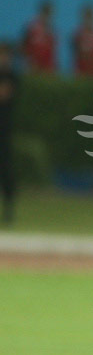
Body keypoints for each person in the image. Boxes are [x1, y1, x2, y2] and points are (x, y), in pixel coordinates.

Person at [0, 42, 17, 225]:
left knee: (6, 171)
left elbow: (5, 94)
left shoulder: (12, 76)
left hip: (4, 130)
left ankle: (8, 210)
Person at [21, 0, 57, 73]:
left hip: (47, 68)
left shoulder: (52, 31)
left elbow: (53, 51)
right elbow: (23, 45)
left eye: (49, 13)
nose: (47, 15)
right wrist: (27, 61)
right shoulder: (31, 27)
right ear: (40, 11)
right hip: (32, 67)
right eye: (45, 12)